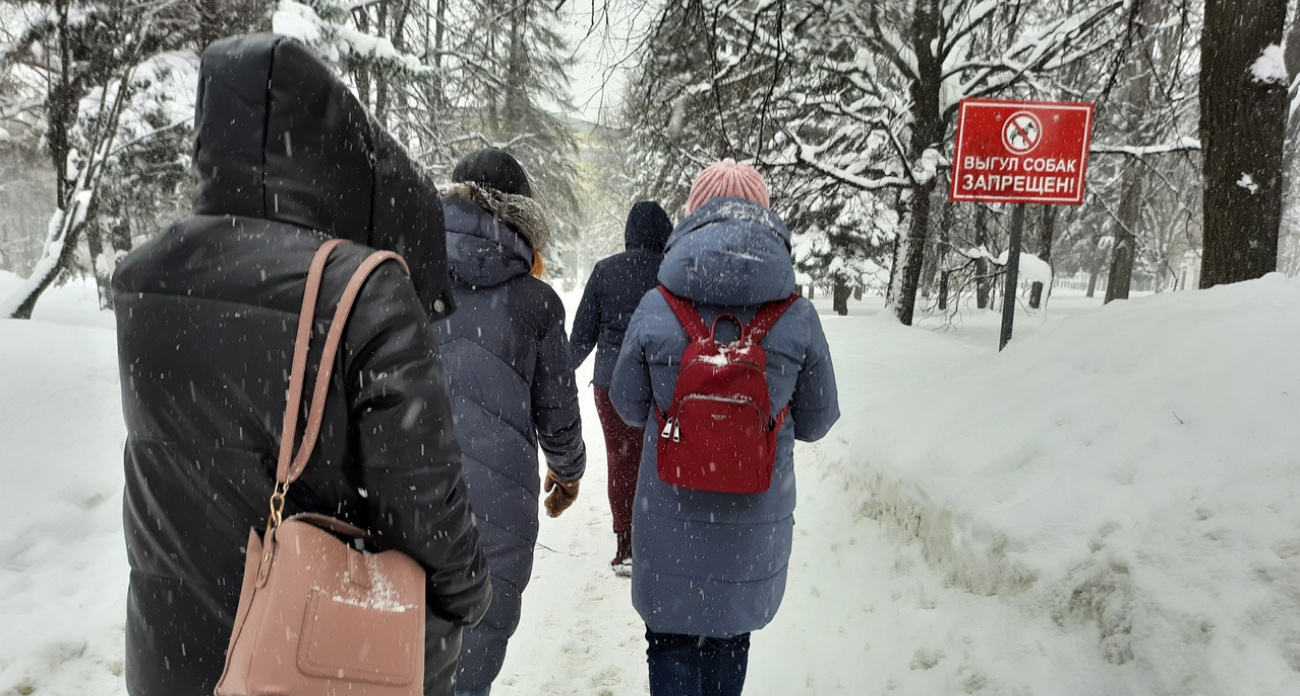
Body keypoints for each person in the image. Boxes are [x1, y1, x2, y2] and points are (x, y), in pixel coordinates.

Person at [112, 35, 491, 696]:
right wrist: (470, 594)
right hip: (306, 657)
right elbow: (422, 501)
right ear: (338, 160)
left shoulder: (145, 276)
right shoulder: (364, 287)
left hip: (172, 647)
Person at [610, 160, 840, 696]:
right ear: (765, 216)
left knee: (668, 644)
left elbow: (625, 404)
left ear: (695, 215)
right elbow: (818, 420)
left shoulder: (656, 305)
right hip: (750, 528)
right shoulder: (796, 314)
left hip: (668, 522)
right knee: (730, 643)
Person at [433, 148, 587, 696]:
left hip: (398, 504)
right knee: (468, 671)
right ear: (520, 216)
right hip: (493, 523)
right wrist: (569, 473)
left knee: (392, 665)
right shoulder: (535, 303)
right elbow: (559, 416)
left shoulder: (397, 277)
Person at [570, 201, 673, 574]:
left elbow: (582, 337)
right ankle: (660, 539)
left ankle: (626, 545)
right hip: (662, 382)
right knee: (663, 458)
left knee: (622, 460)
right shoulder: (672, 272)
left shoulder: (605, 271)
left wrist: (558, 375)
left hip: (611, 385)